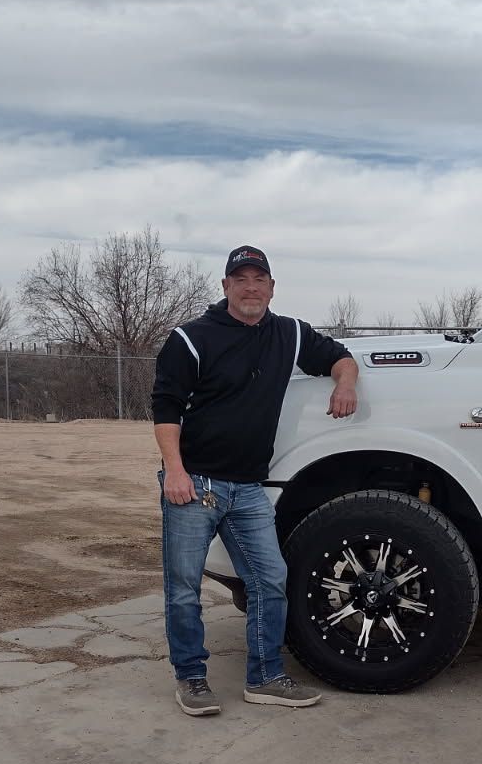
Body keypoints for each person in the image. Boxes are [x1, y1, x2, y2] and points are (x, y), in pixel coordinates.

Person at [151, 244, 358, 716]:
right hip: (195, 484)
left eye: (259, 279)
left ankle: (265, 676)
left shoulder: (288, 334)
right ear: (225, 287)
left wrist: (346, 384)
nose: (250, 288)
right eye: (240, 279)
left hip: (247, 489)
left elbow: (340, 357)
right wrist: (175, 472)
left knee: (270, 579)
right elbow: (165, 407)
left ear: (271, 288)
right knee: (183, 588)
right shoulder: (190, 338)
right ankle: (191, 678)